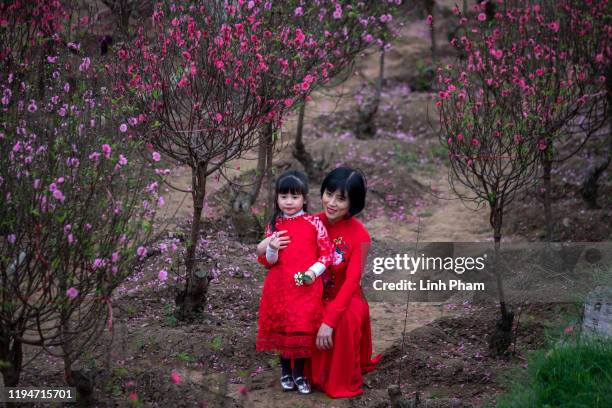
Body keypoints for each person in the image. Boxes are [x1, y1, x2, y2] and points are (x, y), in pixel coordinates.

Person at [255, 170, 333, 395]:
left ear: (305, 199)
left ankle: (299, 373)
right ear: (277, 198)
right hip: (279, 287)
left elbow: (326, 254)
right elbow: (269, 262)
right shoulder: (274, 225)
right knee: (284, 328)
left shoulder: (314, 223)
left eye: (294, 197)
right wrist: (272, 247)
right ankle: (285, 372)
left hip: (305, 287)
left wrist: (312, 272)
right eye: (283, 196)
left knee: (302, 328)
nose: (288, 202)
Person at [310, 166, 380, 398]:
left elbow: (352, 282)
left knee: (346, 319)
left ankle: (337, 380)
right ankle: (305, 374)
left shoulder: (361, 236)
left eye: (341, 199)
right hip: (314, 293)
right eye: (328, 194)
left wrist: (329, 321)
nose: (331, 202)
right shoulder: (310, 224)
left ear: (353, 203)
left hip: (346, 297)